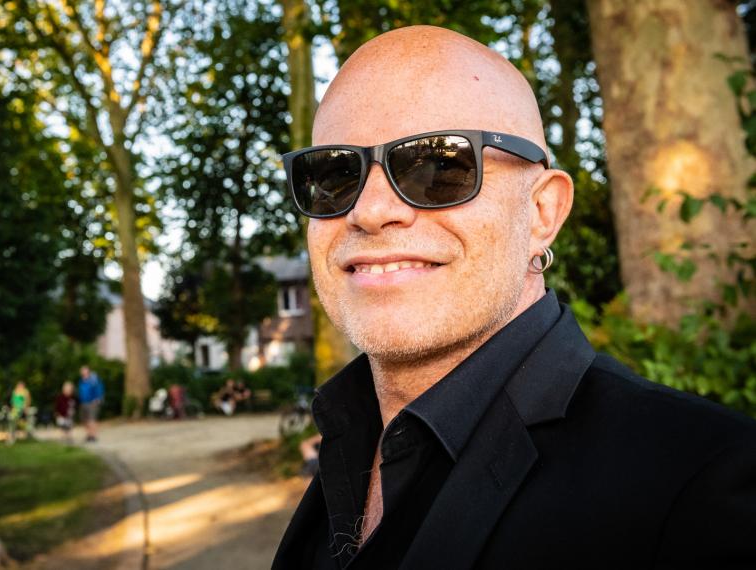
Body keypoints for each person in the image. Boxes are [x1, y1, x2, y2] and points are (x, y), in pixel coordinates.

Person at [273, 26, 756, 569]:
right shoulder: (349, 441)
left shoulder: (704, 487)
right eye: (335, 174)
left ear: (542, 213)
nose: (370, 210)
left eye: (440, 168)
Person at [76, 366, 104, 442]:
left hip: (92, 402)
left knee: (92, 419)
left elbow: (99, 388)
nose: (83, 372)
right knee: (84, 420)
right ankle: (89, 434)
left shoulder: (94, 379)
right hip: (83, 402)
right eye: (82, 371)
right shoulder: (81, 381)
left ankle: (93, 436)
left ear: (88, 371)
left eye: (85, 371)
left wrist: (98, 398)